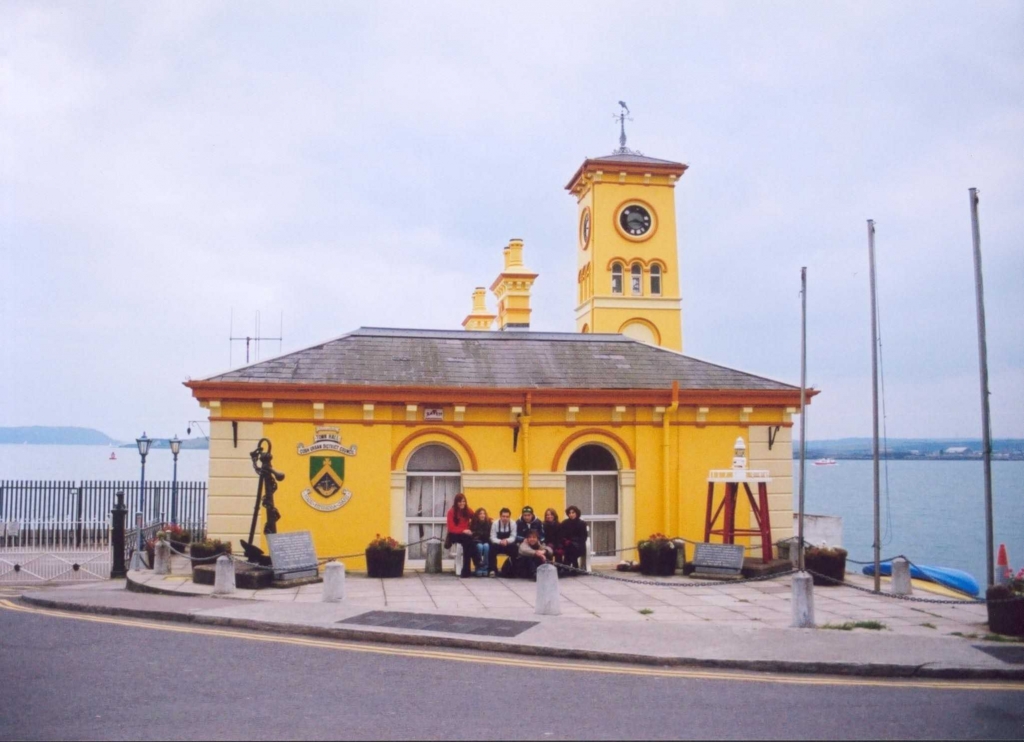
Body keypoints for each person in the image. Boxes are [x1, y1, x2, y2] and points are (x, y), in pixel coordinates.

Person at [445, 493, 477, 577]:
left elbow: (476, 517)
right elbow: (451, 528)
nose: (462, 503)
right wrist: (464, 530)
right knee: (468, 539)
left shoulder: (468, 510)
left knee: (468, 544)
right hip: (454, 535)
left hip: (465, 536)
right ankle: (476, 560)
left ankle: (466, 571)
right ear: (456, 502)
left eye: (463, 501)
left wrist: (488, 519)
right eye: (460, 502)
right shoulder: (451, 512)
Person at [489, 507, 518, 576]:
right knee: (492, 547)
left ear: (509, 517)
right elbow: (492, 537)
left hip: (508, 544)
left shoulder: (513, 524)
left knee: (515, 548)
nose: (505, 518)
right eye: (503, 516)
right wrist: (500, 541)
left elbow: (513, 537)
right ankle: (493, 570)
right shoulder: (495, 524)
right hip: (498, 544)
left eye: (507, 517)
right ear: (500, 516)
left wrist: (507, 541)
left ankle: (513, 569)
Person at [560, 505, 588, 570]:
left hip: (578, 546)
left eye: (573, 512)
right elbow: (561, 535)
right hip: (567, 545)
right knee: (569, 548)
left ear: (576, 513)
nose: (571, 514)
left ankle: (566, 567)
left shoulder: (582, 523)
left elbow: (583, 537)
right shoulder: (565, 523)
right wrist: (565, 541)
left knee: (571, 548)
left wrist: (573, 542)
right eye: (569, 513)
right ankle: (574, 567)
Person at [470, 507, 492, 577]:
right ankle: (478, 567)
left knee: (486, 546)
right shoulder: (473, 524)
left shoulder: (489, 523)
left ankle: (485, 568)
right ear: (477, 515)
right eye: (480, 514)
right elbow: (473, 535)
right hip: (477, 542)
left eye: (484, 514)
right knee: (479, 546)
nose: (482, 515)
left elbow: (489, 535)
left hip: (486, 542)